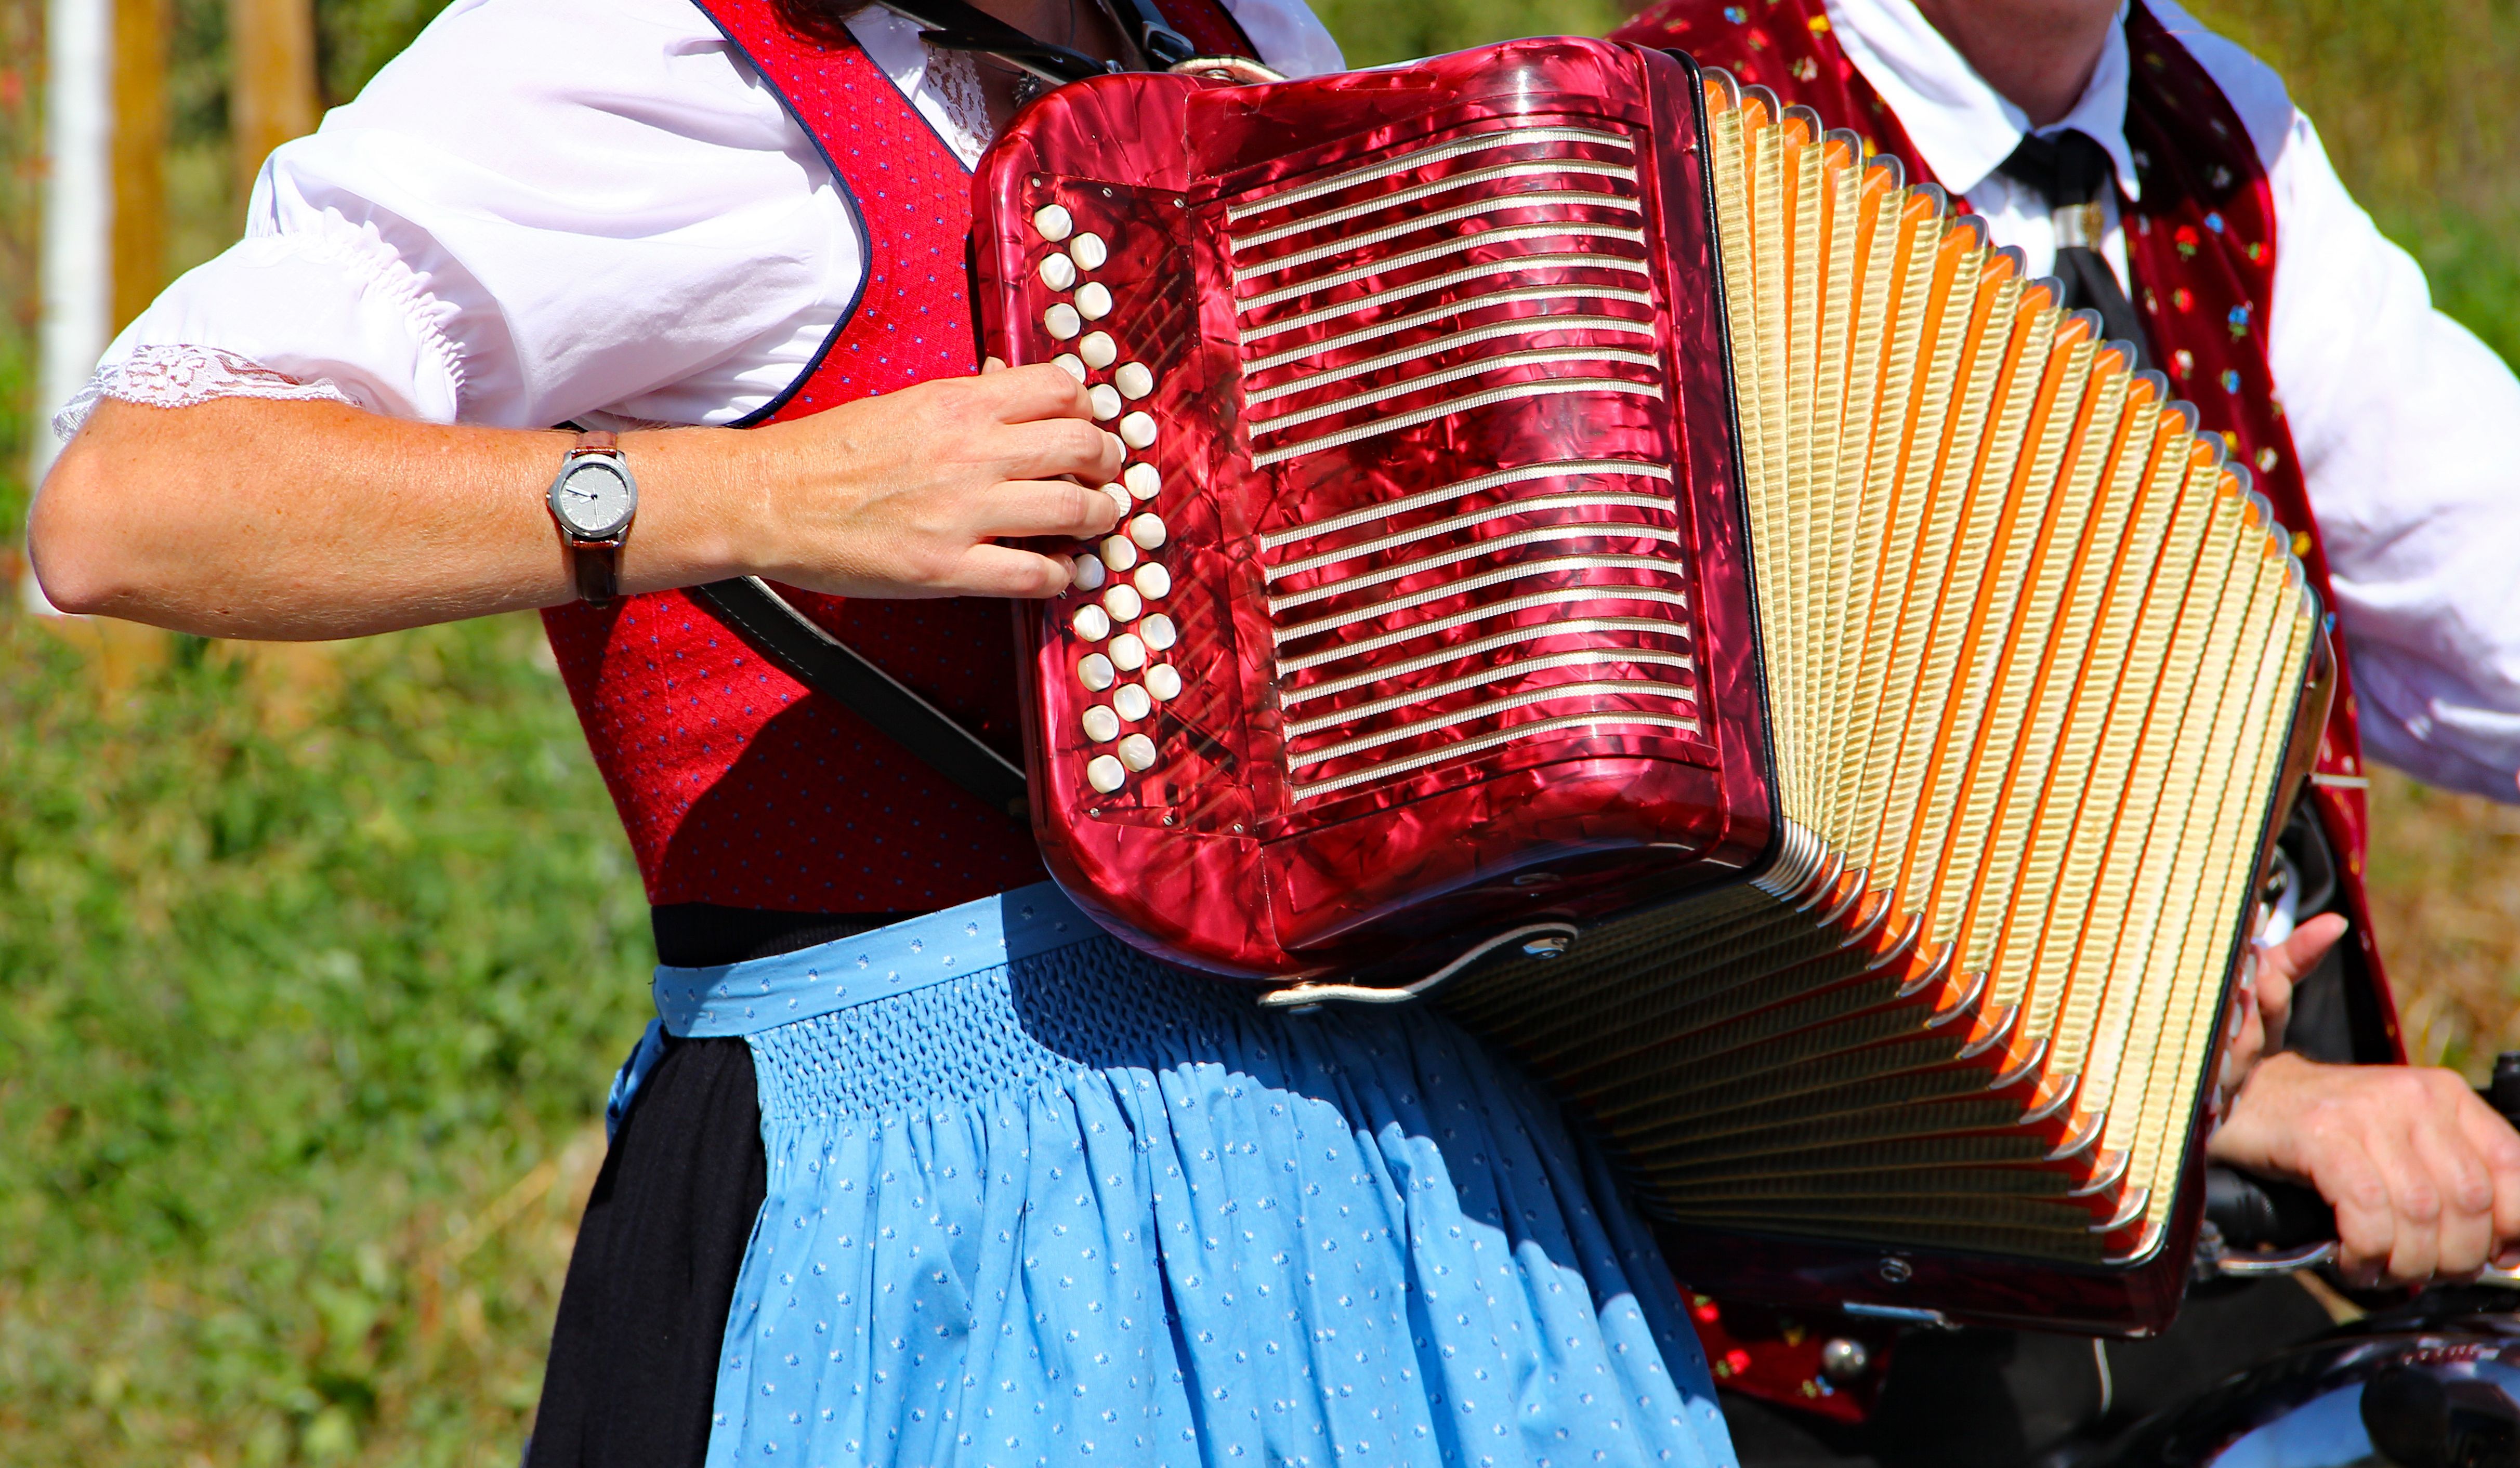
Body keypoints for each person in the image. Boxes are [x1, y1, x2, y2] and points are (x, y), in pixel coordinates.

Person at [24, 2, 1744, 1465]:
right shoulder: (630, 54)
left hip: (1409, 1174)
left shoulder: (1234, 31)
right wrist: (764, 490)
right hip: (933, 1212)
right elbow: (133, 507)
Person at [1603, 0, 2520, 1459]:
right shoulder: (1654, 144)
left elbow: (2485, 562)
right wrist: (2211, 1086)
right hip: (1833, 1340)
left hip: (2241, 1258)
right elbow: (1636, 881)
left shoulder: (2207, 126)